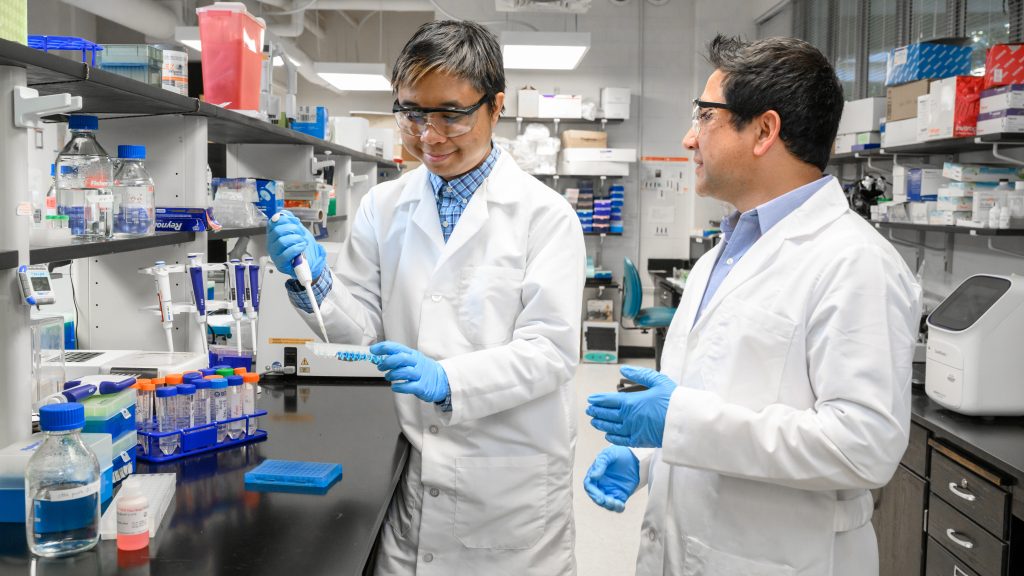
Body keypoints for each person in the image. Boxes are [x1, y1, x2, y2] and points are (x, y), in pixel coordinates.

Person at [583, 35, 922, 576]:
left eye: (704, 117)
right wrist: (645, 458)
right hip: (687, 547)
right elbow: (714, 397)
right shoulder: (725, 253)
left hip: (781, 557)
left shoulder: (855, 263)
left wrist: (679, 422)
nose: (688, 138)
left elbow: (865, 445)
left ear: (764, 130)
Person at [267, 20, 585, 576]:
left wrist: (450, 379)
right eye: (412, 112)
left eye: (451, 114)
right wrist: (314, 284)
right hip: (414, 473)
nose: (429, 135)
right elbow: (361, 334)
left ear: (495, 106)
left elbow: (550, 351)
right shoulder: (383, 206)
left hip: (506, 485)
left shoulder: (546, 216)